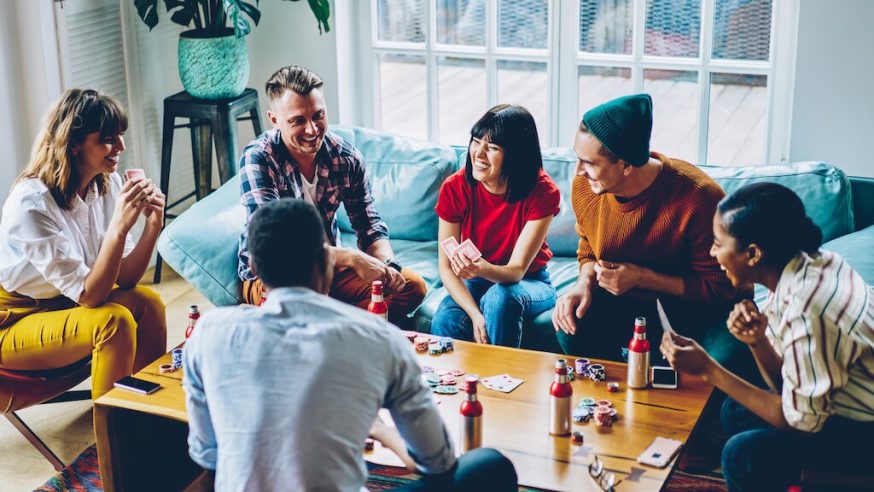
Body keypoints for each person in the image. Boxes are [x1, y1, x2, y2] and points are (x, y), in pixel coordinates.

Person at [184, 198, 518, 491]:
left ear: (254, 268)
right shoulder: (377, 338)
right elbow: (438, 461)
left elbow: (208, 455)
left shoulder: (207, 334)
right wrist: (386, 434)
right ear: (326, 263)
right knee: (489, 465)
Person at [661, 182, 874, 492]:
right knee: (735, 411)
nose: (712, 252)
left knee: (741, 455)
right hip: (843, 394)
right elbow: (790, 379)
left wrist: (708, 370)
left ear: (752, 253)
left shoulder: (808, 310)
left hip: (865, 431)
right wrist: (758, 340)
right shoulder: (810, 264)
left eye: (718, 243)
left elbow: (800, 424)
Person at [0, 89, 167, 398]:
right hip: (15, 321)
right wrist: (118, 227)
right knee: (113, 322)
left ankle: (147, 415)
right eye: (108, 139)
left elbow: (126, 277)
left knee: (149, 304)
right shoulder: (31, 205)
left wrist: (153, 226)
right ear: (73, 144)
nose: (121, 146)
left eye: (120, 136)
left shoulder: (106, 184)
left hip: (68, 305)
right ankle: (112, 441)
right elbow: (90, 296)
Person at [552, 93, 742, 360]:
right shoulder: (586, 187)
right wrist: (584, 283)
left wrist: (643, 277)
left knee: (727, 358)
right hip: (631, 305)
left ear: (626, 165)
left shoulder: (699, 198)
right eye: (578, 158)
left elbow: (720, 289)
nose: (578, 171)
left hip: (700, 310)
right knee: (571, 325)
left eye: (590, 163)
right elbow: (588, 249)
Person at [237, 65, 426, 327]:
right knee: (308, 295)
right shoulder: (258, 158)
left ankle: (338, 328)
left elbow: (368, 223)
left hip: (328, 267)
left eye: (318, 115)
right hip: (274, 273)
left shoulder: (345, 157)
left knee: (410, 287)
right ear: (274, 120)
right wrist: (352, 258)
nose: (313, 129)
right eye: (298, 120)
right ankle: (343, 328)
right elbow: (274, 248)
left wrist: (387, 266)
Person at [431, 105, 560, 347]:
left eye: (491, 147)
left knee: (500, 298)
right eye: (476, 141)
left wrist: (480, 269)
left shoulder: (543, 191)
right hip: (476, 281)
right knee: (447, 318)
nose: (478, 154)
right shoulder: (455, 187)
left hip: (530, 281)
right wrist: (475, 315)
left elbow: (516, 271)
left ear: (515, 154)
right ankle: (453, 384)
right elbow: (446, 268)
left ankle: (501, 381)